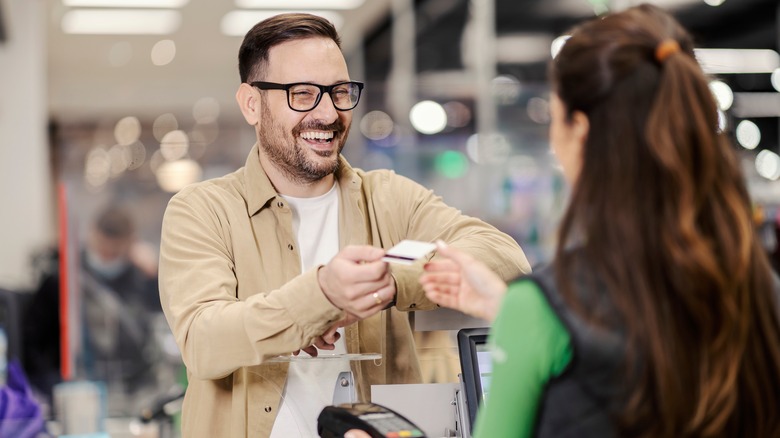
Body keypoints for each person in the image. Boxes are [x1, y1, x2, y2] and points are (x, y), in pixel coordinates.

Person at [157, 12, 530, 438]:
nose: (328, 113)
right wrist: (320, 297)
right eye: (302, 94)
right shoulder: (203, 210)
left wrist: (393, 280)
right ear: (252, 104)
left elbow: (505, 258)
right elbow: (203, 341)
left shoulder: (389, 199)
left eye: (338, 92)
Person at [418, 4, 780, 438]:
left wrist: (529, 318)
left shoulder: (542, 309)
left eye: (555, 118)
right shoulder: (758, 286)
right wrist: (515, 312)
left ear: (581, 131)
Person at [23, 205, 162, 414]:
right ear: (92, 235)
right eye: (102, 250)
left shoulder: (140, 280)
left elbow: (158, 325)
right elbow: (34, 343)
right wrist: (52, 389)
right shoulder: (62, 280)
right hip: (75, 395)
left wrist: (155, 276)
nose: (107, 258)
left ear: (130, 244)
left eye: (114, 253)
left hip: (133, 396)